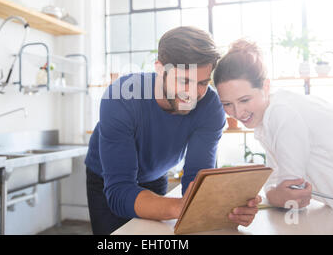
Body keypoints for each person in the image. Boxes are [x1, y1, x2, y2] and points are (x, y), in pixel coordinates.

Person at [85, 27, 261, 235]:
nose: (193, 94)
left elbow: (196, 178)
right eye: (184, 81)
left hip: (156, 174)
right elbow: (120, 191)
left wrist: (223, 207)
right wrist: (181, 207)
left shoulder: (211, 107)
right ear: (160, 69)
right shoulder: (122, 96)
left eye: (203, 83)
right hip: (108, 178)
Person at [213, 39, 333, 235]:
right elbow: (277, 183)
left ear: (266, 86)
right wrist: (275, 193)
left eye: (244, 100)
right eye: (227, 104)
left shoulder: (282, 114)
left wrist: (277, 194)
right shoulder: (269, 118)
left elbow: (294, 196)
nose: (237, 112)